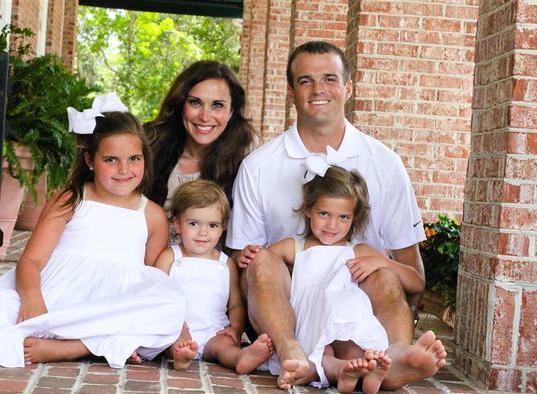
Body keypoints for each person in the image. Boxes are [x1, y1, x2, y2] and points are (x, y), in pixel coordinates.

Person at [226, 41, 447, 389]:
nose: (318, 90)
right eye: (305, 81)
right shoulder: (258, 167)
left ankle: (395, 355)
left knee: (385, 274)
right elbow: (244, 265)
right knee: (262, 262)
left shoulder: (385, 165)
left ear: (348, 87)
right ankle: (291, 352)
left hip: (360, 310)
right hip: (288, 312)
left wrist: (384, 271)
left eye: (329, 78)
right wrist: (248, 259)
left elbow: (412, 270)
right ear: (291, 91)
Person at [0, 93, 194, 368]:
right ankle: (102, 344)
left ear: (145, 158)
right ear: (90, 160)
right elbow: (31, 261)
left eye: (134, 159)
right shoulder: (71, 199)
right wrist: (33, 299)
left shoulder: (151, 214)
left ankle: (72, 347)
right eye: (111, 160)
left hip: (110, 304)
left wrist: (180, 323)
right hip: (58, 293)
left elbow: (152, 277)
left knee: (170, 304)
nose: (124, 169)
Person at [267, 164, 400, 392]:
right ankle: (342, 370)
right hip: (310, 316)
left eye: (343, 217)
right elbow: (264, 266)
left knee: (351, 333)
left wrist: (382, 262)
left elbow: (415, 280)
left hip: (345, 317)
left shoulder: (357, 250)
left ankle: (364, 371)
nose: (332, 225)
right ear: (308, 210)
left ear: (354, 217)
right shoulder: (294, 247)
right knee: (326, 332)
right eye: (324, 214)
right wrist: (248, 256)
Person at [154, 179, 274, 372]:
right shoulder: (170, 256)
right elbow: (156, 295)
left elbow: (235, 304)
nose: (203, 233)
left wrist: (235, 329)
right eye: (193, 223)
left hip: (213, 331)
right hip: (177, 326)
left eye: (212, 225)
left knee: (223, 347)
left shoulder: (226, 264)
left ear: (223, 226)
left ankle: (241, 357)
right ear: (177, 224)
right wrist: (176, 324)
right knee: (172, 340)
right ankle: (181, 356)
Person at [143, 60, 257, 243]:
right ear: (181, 104)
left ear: (231, 112)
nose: (205, 116)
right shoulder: (149, 147)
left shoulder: (246, 164)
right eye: (195, 103)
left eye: (217, 105)